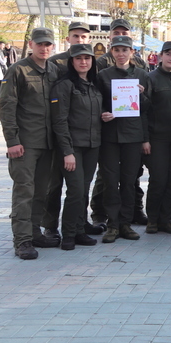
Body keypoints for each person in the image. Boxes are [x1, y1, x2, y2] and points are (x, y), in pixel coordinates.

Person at [0, 28, 59, 259]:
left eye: (48, 45)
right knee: (24, 192)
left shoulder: (53, 69)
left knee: (41, 191)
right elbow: (6, 106)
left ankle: (35, 233)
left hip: (47, 142)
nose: (44, 48)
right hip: (25, 143)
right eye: (40, 44)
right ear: (31, 44)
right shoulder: (18, 70)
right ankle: (22, 241)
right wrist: (12, 141)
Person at [42, 21, 94, 239]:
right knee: (54, 185)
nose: (79, 40)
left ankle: (80, 223)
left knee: (80, 187)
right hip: (58, 136)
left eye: (83, 37)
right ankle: (51, 225)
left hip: (84, 138)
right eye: (75, 36)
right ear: (67, 38)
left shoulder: (92, 64)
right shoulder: (54, 63)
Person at [97, 35, 151, 244]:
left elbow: (146, 110)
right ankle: (112, 224)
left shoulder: (142, 75)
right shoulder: (103, 75)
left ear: (132, 52)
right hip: (110, 135)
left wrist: (142, 96)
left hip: (133, 135)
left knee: (129, 181)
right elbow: (97, 102)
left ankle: (126, 224)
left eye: (125, 50)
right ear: (112, 52)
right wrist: (103, 113)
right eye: (117, 50)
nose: (121, 54)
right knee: (110, 181)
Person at [49, 43, 102, 249]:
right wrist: (67, 151)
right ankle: (69, 234)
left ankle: (80, 230)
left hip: (92, 145)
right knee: (75, 190)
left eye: (87, 58)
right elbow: (59, 121)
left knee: (84, 190)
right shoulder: (64, 85)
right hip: (73, 147)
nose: (83, 62)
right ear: (72, 61)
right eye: (79, 58)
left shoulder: (94, 84)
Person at [144, 41, 171, 235]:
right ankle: (152, 219)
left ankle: (166, 219)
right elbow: (142, 111)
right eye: (168, 54)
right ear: (161, 55)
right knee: (158, 179)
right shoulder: (150, 78)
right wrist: (144, 139)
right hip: (157, 138)